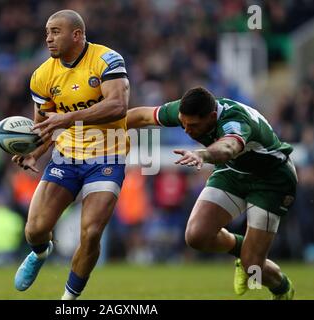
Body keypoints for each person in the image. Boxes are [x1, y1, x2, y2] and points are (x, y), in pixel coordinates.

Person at [127, 86, 297, 299]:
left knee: (253, 266)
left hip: (271, 180)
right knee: (196, 235)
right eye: (183, 123)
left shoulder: (235, 121)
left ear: (212, 116)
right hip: (233, 171)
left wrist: (203, 154)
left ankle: (282, 288)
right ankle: (243, 249)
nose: (186, 129)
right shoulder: (187, 111)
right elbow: (143, 117)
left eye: (193, 125)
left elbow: (227, 149)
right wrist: (105, 127)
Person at [12, 9, 130, 300]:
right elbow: (44, 127)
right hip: (66, 158)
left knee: (90, 233)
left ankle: (68, 300)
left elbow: (118, 106)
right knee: (35, 230)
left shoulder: (107, 60)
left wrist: (67, 119)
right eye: (47, 33)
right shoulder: (42, 75)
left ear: (76, 35)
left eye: (55, 32)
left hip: (107, 156)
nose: (49, 38)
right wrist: (33, 152)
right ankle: (40, 253)